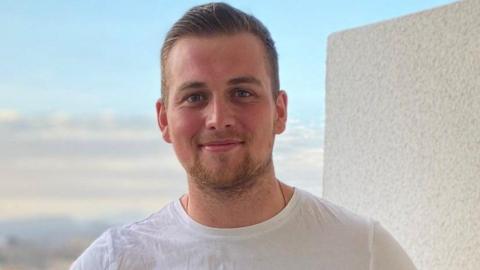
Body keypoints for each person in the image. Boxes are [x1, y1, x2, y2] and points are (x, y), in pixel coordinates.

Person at [71, 2, 417, 269]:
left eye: (242, 93)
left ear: (279, 111)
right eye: (194, 97)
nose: (218, 118)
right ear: (164, 120)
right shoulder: (115, 260)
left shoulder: (363, 252)